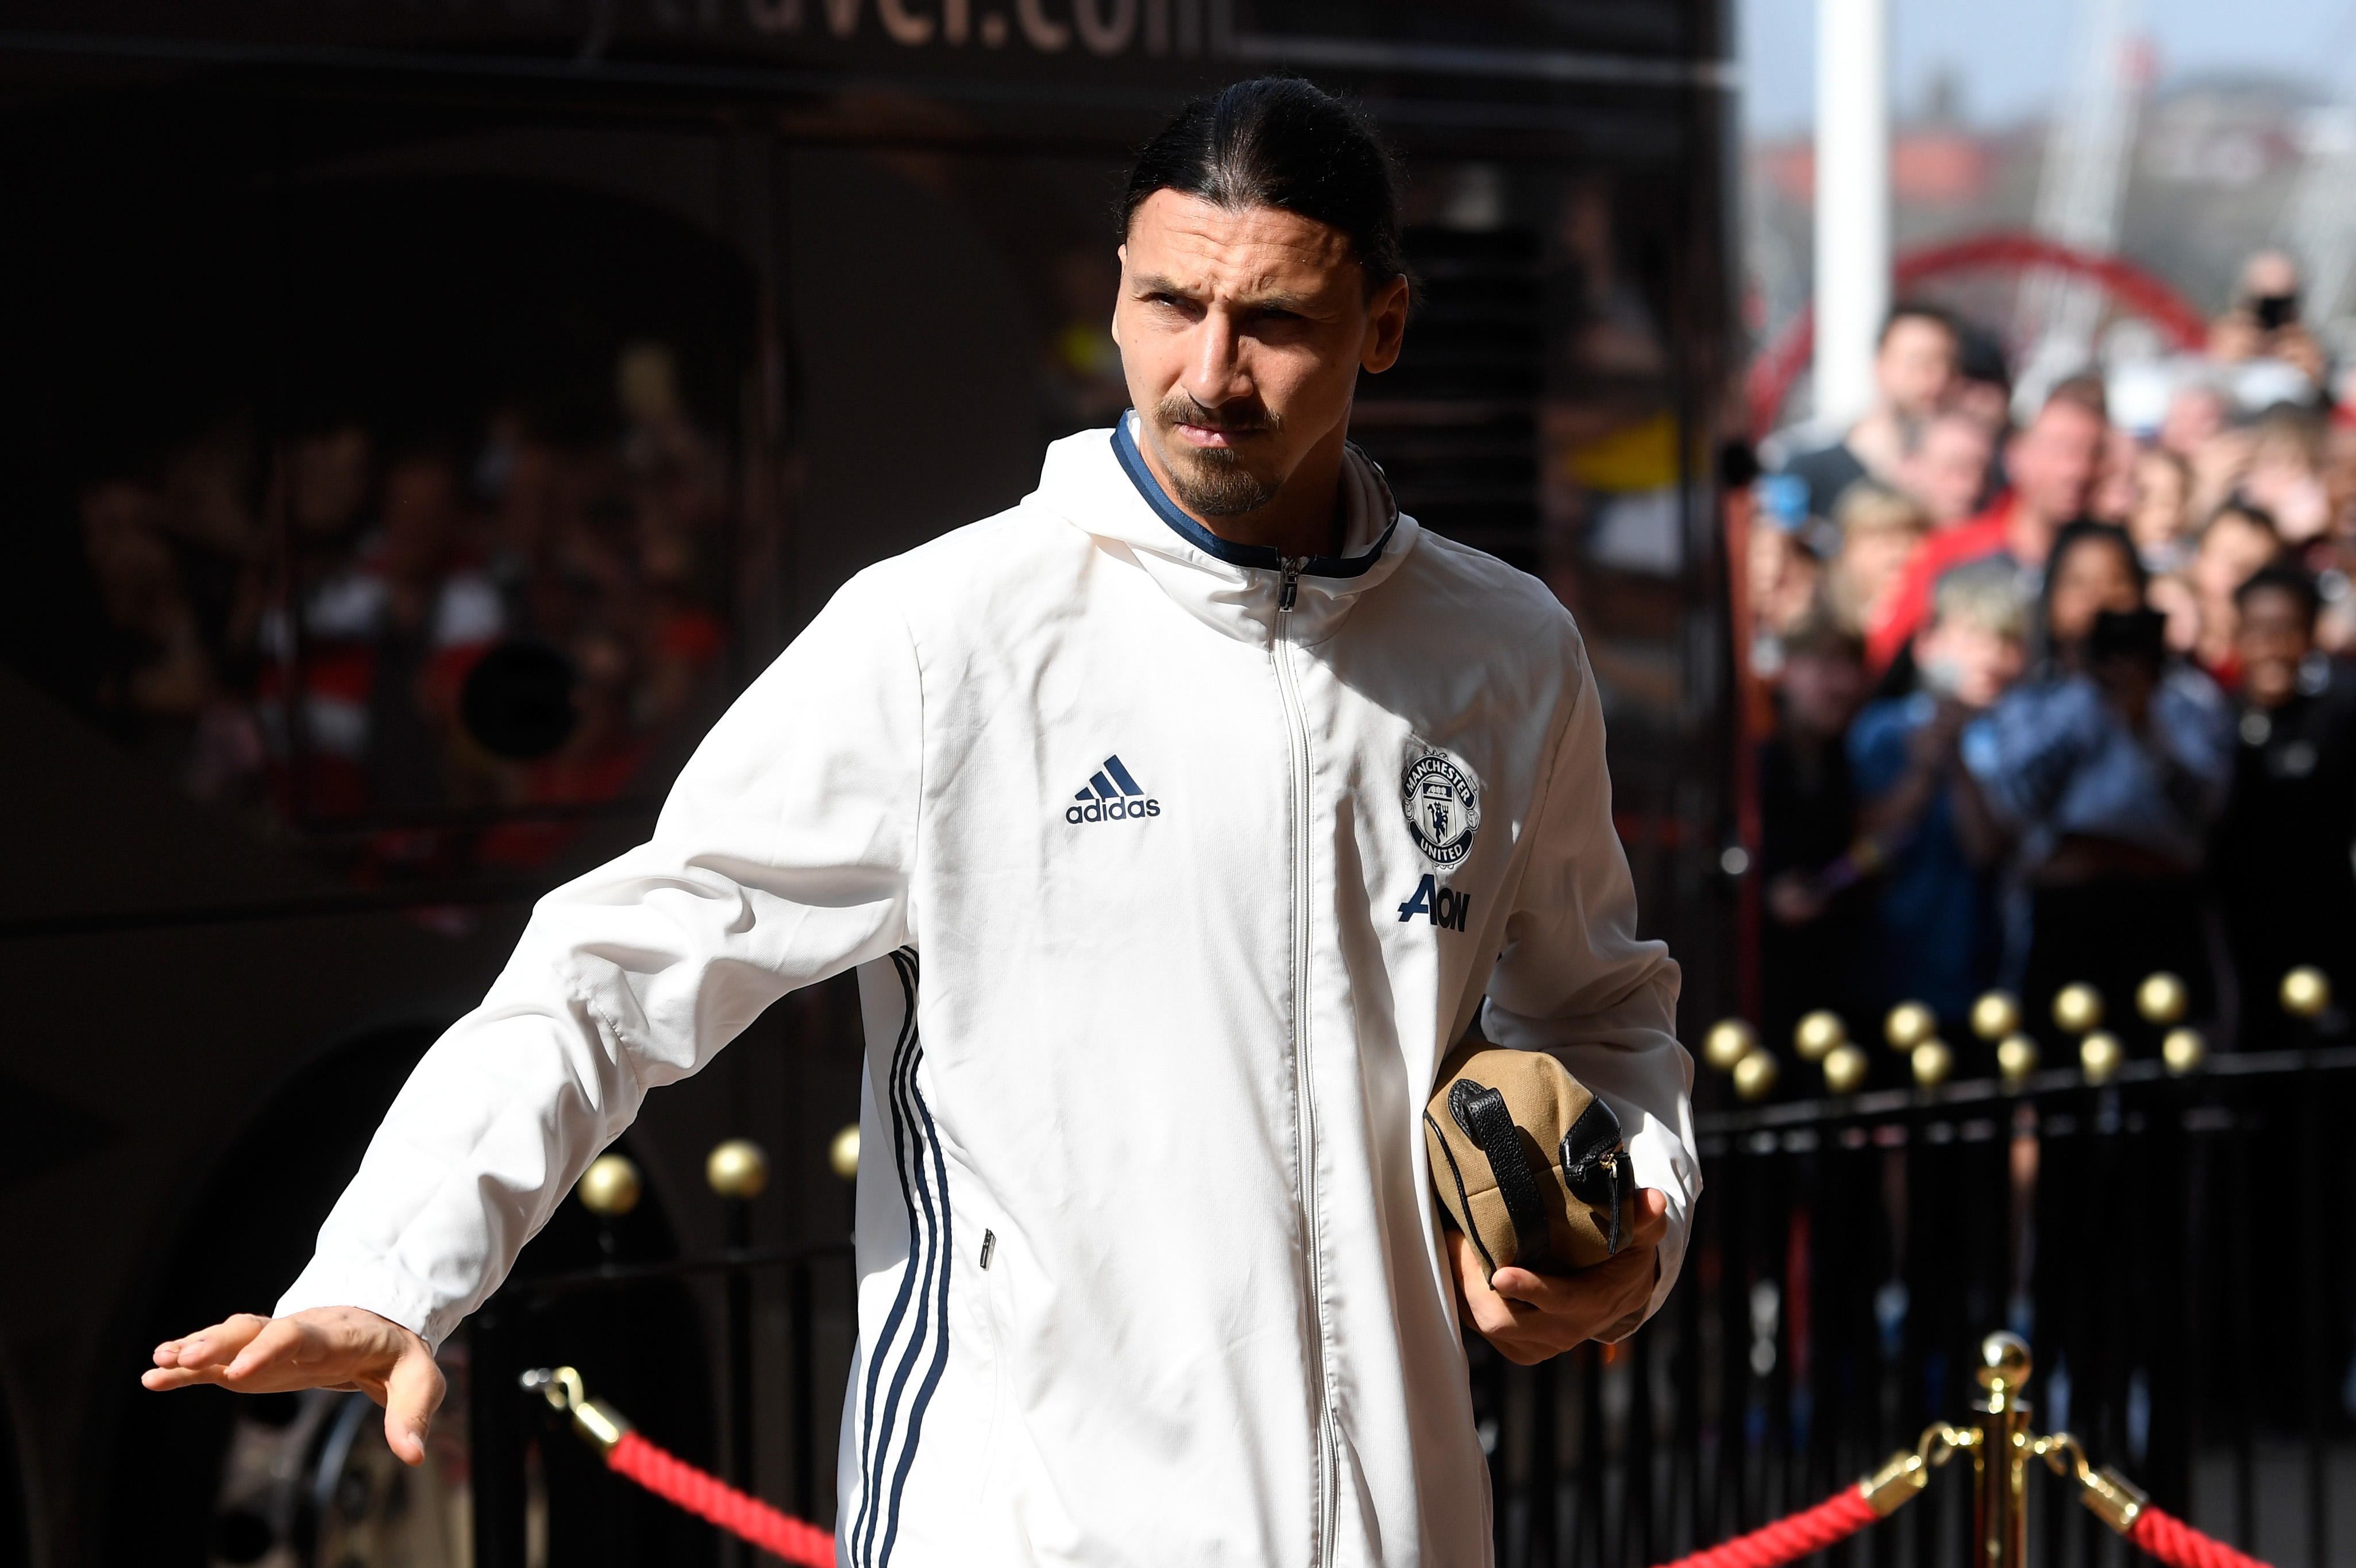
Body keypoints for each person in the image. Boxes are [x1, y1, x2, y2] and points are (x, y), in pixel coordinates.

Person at [142, 79, 1697, 1565]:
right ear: (1112, 297)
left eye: (1274, 322)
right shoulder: (943, 633)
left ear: (1387, 323)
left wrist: (1636, 1233)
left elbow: (1602, 1016)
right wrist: (392, 1276)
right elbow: (609, 972)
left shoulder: (1506, 652)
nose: (1207, 371)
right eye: (1170, 304)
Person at [1968, 523, 2233, 1049]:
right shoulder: (2027, 703)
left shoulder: (2187, 700)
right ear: (2052, 600)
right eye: (2078, 583)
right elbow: (2018, 805)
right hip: (2062, 922)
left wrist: (2142, 725)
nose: (2097, 598)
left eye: (2114, 581)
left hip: (2161, 917)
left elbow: (2205, 808)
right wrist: (2090, 699)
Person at [1849, 559, 2023, 1036]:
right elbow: (1867, 848)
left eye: (2007, 640)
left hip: (1984, 977)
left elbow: (1985, 849)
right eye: (1972, 635)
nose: (1989, 654)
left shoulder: (2020, 737)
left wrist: (1959, 761)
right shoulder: (1881, 731)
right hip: (1887, 971)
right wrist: (1924, 769)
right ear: (1926, 646)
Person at [1867, 378, 2108, 674]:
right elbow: (1881, 663)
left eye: (2093, 452)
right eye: (2060, 450)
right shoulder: (1951, 554)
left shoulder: (2115, 564)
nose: (2077, 470)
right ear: (2015, 455)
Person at [2211, 564, 2356, 1048]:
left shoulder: (2339, 714)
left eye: (2286, 629)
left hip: (2329, 927)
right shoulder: (2212, 722)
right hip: (2238, 937)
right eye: (2255, 631)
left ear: (2311, 634)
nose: (2270, 646)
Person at [1757, 619, 1871, 1055]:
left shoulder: (1841, 758)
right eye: (1826, 665)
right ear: (1785, 671)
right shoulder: (1753, 759)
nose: (1844, 684)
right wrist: (1766, 898)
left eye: (1852, 668)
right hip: (1763, 983)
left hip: (1831, 976)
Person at [1782, 303, 1961, 520]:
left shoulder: (1975, 477)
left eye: (1947, 364)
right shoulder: (1811, 472)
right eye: (1919, 362)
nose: (1937, 379)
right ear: (1880, 366)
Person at [2184, 501, 2281, 685]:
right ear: (2198, 561)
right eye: (2229, 559)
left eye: (2255, 569)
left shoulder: (2278, 668)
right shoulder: (2168, 644)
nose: (2238, 579)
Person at [1823, 482, 1929, 639]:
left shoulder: (1931, 623)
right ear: (1849, 547)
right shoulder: (1827, 625)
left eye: (1910, 535)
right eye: (1883, 538)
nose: (1900, 552)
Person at [1894, 410, 1995, 528]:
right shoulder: (1878, 537)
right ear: (1910, 467)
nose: (1972, 488)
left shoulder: (2007, 536)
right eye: (1954, 468)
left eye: (1984, 472)